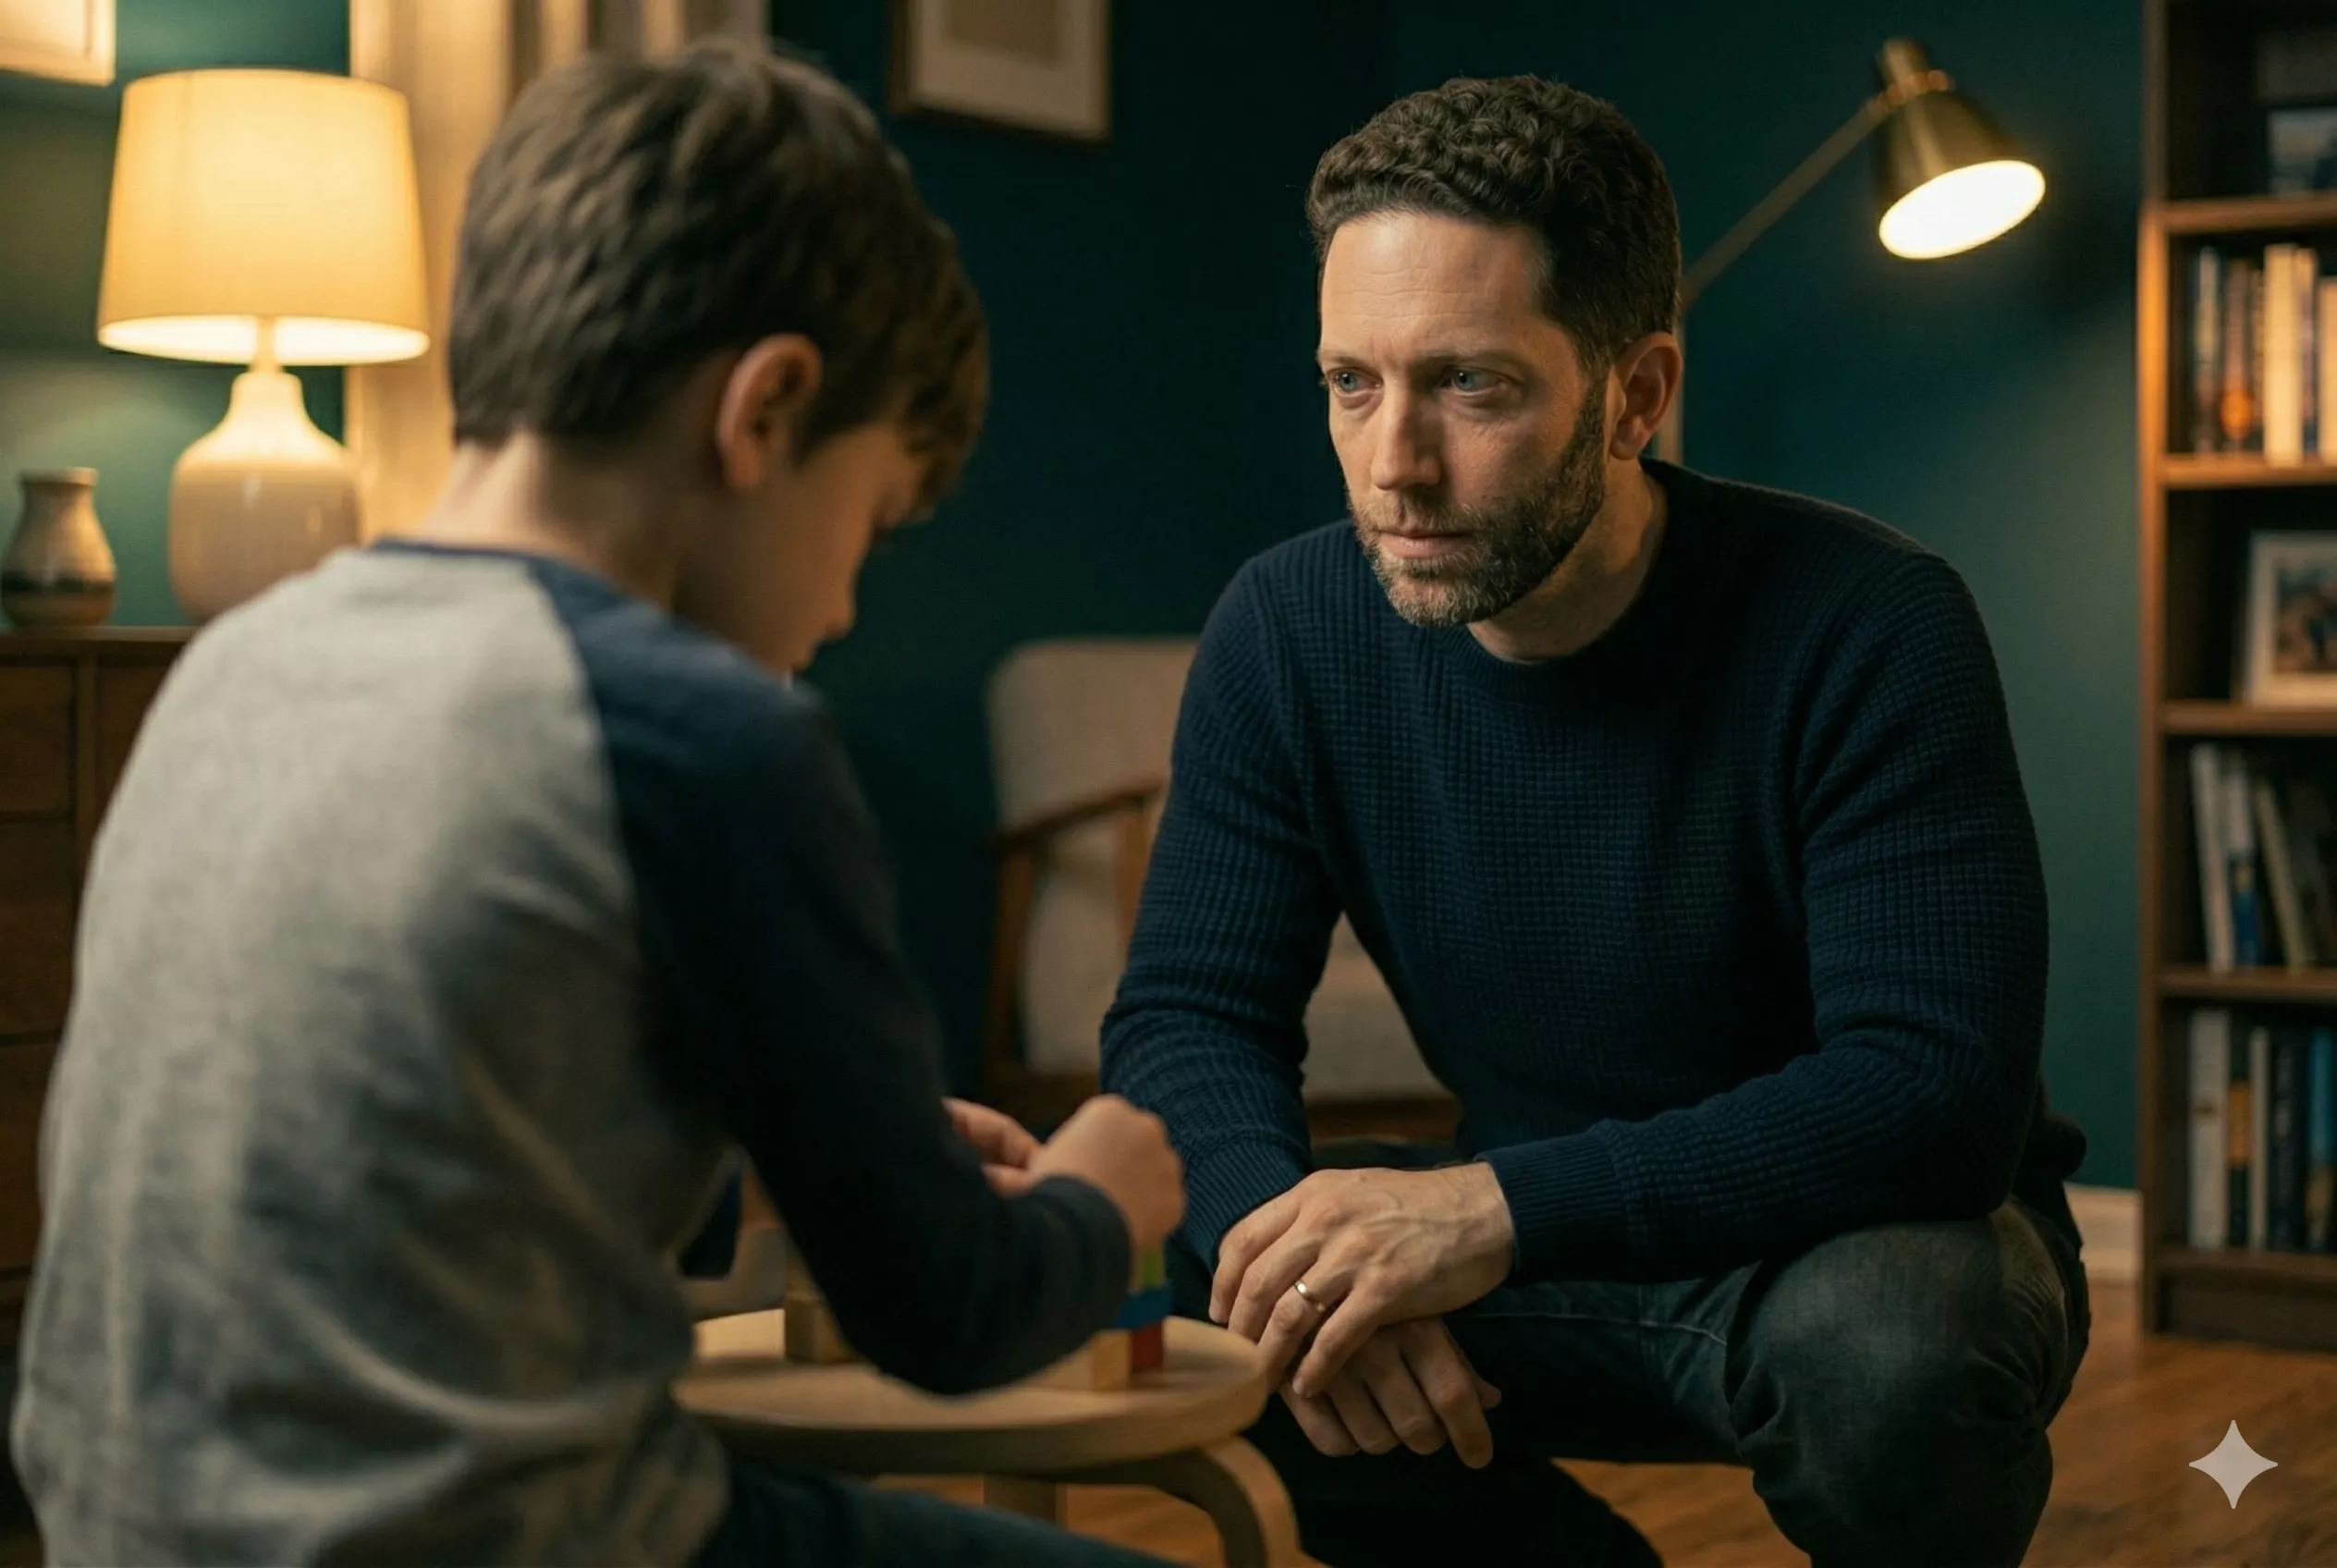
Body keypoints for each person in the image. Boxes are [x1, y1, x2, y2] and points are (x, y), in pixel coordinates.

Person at [13, 41, 1181, 1568]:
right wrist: (1104, 1190)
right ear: (765, 411)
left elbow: (418, 1156)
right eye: (868, 524)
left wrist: (767, 1146)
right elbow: (951, 1318)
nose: (836, 608)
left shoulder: (237, 666)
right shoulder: (699, 735)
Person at [1101, 75, 2091, 1568]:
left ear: (1635, 395)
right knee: (1184, 1296)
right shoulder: (1287, 628)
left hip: (1855, 1240)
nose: (1393, 466)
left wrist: (1488, 1211)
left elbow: (1933, 1092)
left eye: (1471, 386)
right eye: (1351, 383)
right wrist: (1294, 1267)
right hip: (1547, 1235)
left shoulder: (1871, 624)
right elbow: (1184, 1019)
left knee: (1897, 1347)